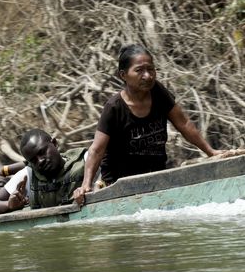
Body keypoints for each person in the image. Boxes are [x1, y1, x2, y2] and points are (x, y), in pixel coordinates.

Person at [73, 44, 222, 205]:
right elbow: (96, 150)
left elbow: (184, 124)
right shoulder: (114, 107)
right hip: (118, 185)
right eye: (139, 71)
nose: (147, 76)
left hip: (155, 178)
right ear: (123, 75)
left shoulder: (158, 93)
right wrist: (85, 186)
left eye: (151, 69)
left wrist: (211, 152)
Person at [0, 129, 87, 213]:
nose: (40, 161)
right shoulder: (28, 175)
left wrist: (93, 186)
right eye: (33, 160)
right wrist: (9, 205)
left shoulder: (85, 160)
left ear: (55, 143)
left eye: (42, 152)